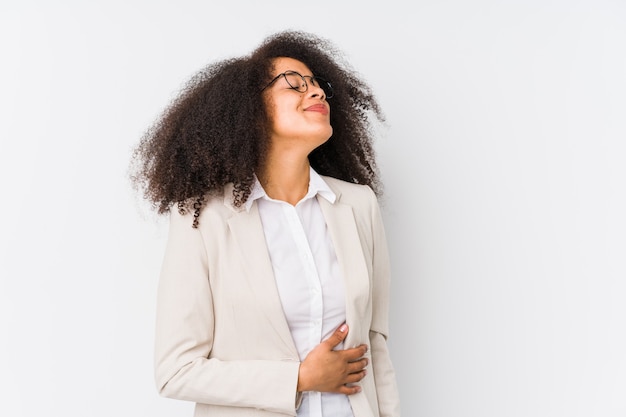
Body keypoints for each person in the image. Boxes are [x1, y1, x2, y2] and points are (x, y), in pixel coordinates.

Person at [129, 30, 400, 417]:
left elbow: (375, 346)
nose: (317, 93)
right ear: (250, 112)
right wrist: (299, 378)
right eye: (294, 84)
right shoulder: (202, 217)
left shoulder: (358, 205)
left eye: (318, 85)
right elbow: (176, 372)